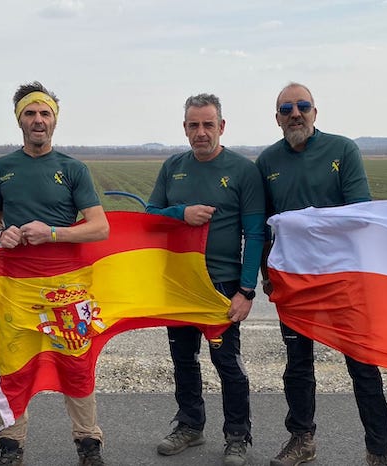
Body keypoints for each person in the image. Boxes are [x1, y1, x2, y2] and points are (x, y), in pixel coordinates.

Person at [255, 83, 387, 466]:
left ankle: (377, 451)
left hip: (343, 279)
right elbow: (264, 225)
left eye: (302, 106)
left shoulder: (343, 150)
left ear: (316, 111)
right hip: (294, 281)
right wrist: (267, 271)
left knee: (362, 364)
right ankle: (302, 438)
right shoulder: (267, 162)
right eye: (286, 108)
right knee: (297, 365)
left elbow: (360, 213)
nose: (295, 113)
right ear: (277, 117)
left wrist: (311, 222)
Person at [0, 81, 111, 466]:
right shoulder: (1, 168)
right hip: (17, 285)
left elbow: (100, 227)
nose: (38, 120)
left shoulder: (73, 169)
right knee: (14, 366)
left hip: (67, 286)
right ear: (19, 120)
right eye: (30, 113)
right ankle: (11, 444)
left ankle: (89, 443)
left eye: (44, 113)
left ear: (54, 120)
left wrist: (53, 233)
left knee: (76, 364)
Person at [145, 93, 265, 466]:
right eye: (194, 125)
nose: (201, 132)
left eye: (208, 124)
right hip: (179, 285)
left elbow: (255, 233)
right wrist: (181, 213)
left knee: (226, 362)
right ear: (184, 128)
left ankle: (237, 435)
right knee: (183, 359)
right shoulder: (173, 167)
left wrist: (246, 291)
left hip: (222, 287)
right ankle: (191, 425)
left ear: (222, 127)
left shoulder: (243, 171)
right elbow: (150, 215)